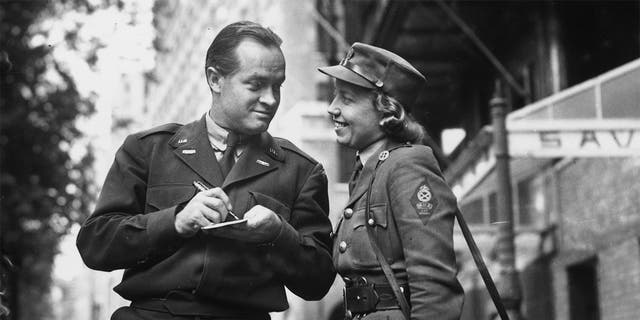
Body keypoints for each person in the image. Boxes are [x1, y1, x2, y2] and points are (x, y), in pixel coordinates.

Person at [77, 21, 335, 320]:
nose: (271, 99)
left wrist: (279, 234)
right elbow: (95, 244)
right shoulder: (148, 149)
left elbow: (318, 282)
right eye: (256, 85)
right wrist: (175, 222)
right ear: (215, 79)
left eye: (277, 86)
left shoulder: (300, 170)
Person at [318, 42, 464, 319]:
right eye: (336, 96)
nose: (332, 108)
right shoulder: (369, 170)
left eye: (347, 99)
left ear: (386, 109)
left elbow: (435, 289)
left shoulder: (408, 167)